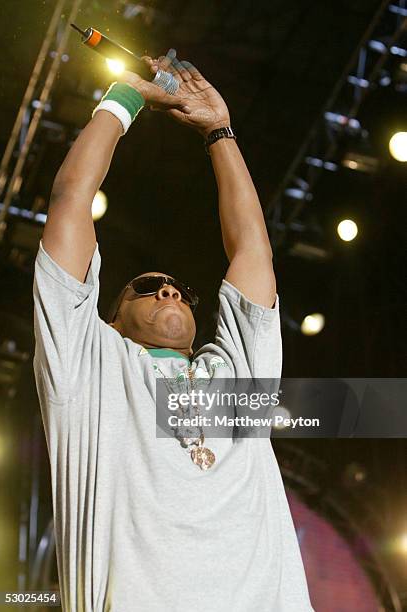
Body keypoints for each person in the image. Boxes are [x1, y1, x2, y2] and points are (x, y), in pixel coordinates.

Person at [33, 49, 314, 611]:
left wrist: (219, 132)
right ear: (109, 319)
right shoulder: (89, 369)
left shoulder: (238, 374)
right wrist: (127, 96)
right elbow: (70, 203)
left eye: (178, 289)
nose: (167, 291)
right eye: (145, 286)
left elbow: (253, 247)